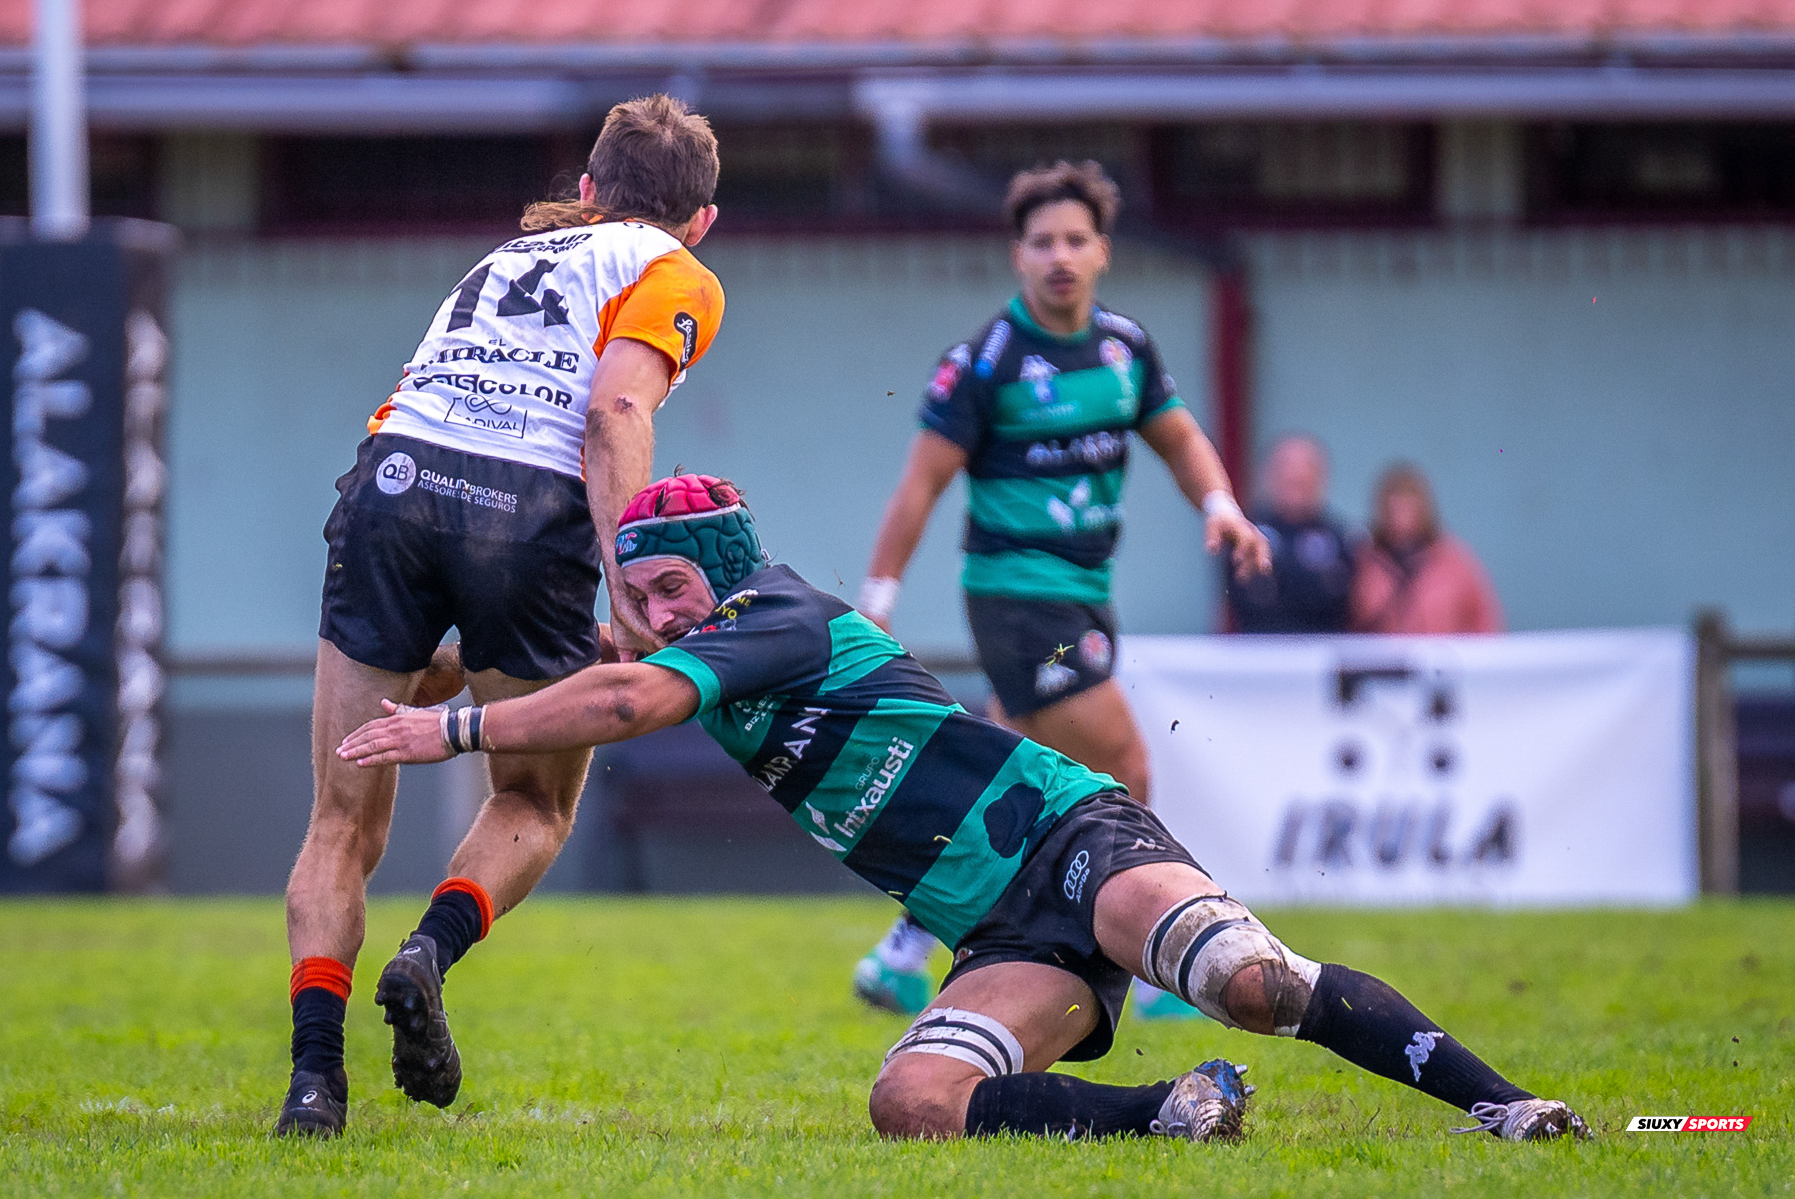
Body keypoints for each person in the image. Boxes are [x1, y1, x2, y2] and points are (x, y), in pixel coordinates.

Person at [337, 473, 1590, 1145]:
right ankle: (1171, 1112)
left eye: (669, 590)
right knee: (912, 1105)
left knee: (1253, 985)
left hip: (1070, 832)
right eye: (639, 599)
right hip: (997, 930)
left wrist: (444, 729)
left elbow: (619, 702)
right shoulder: (677, 646)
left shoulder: (773, 614)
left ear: (717, 571)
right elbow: (574, 675)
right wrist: (434, 667)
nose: (656, 615)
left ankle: (1501, 1101)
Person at [276, 95, 727, 1138]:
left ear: (585, 192)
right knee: (534, 791)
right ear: (700, 221)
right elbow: (616, 408)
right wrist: (630, 575)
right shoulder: (675, 271)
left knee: (341, 816)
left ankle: (312, 1080)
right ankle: (428, 950)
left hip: (392, 481)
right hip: (525, 504)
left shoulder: (500, 260)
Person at [850, 161, 1270, 1015]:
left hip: (1084, 594)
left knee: (1009, 780)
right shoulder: (985, 362)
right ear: (1019, 256)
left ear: (1103, 251)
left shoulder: (1125, 348)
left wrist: (1222, 504)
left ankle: (906, 944)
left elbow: (1181, 439)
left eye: (1075, 240)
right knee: (1125, 763)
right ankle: (1159, 957)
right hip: (1017, 600)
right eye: (1043, 242)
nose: (1060, 257)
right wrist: (879, 599)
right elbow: (919, 487)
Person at [1351, 464, 1503, 634]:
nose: (1399, 513)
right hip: (1378, 658)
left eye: (1408, 503)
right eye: (1394, 504)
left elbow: (1483, 621)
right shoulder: (1362, 561)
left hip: (1442, 658)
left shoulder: (1454, 562)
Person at [1228, 434, 1357, 633]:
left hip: (1322, 653)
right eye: (1287, 474)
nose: (1296, 479)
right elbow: (1251, 598)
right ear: (1270, 476)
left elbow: (1337, 600)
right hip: (1258, 654)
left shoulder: (1341, 538)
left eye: (1304, 477)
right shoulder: (1245, 532)